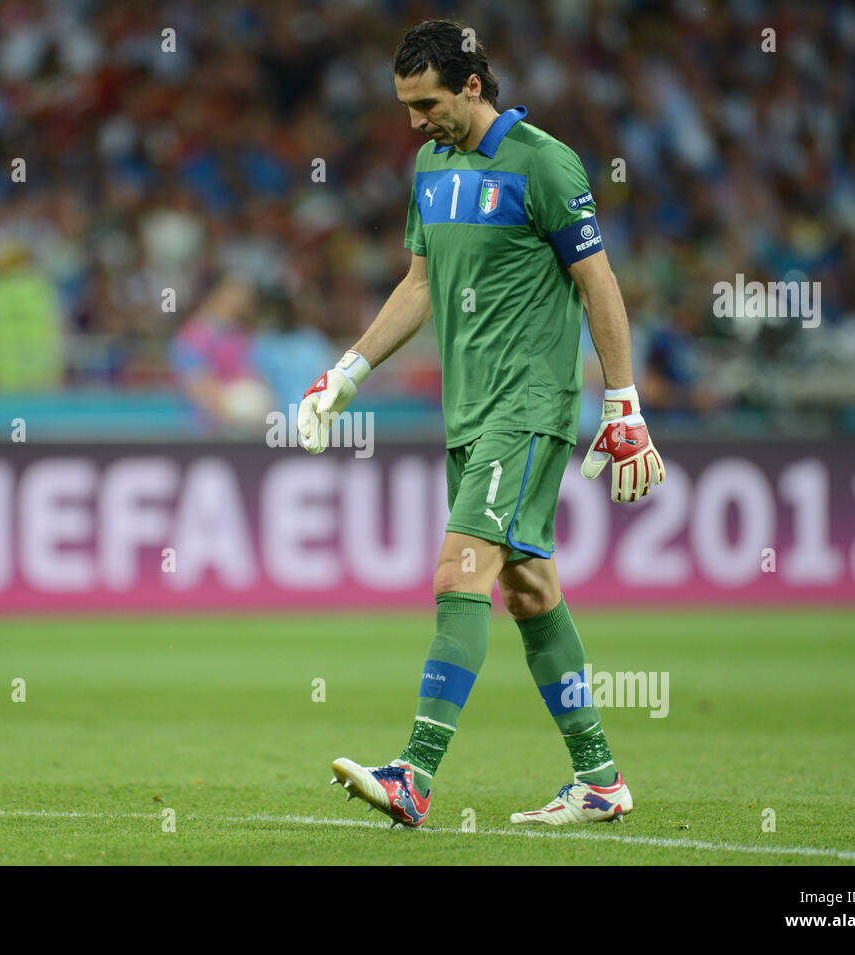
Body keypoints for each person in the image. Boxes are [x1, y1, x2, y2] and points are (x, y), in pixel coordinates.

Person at [297, 20, 666, 828]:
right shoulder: (431, 166)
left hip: (527, 410)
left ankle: (414, 775)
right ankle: (599, 778)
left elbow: (598, 284)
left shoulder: (543, 162)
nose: (412, 120)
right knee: (530, 588)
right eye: (402, 104)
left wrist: (621, 404)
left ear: (471, 85)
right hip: (465, 417)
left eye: (424, 102)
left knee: (457, 573)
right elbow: (420, 286)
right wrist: (346, 373)